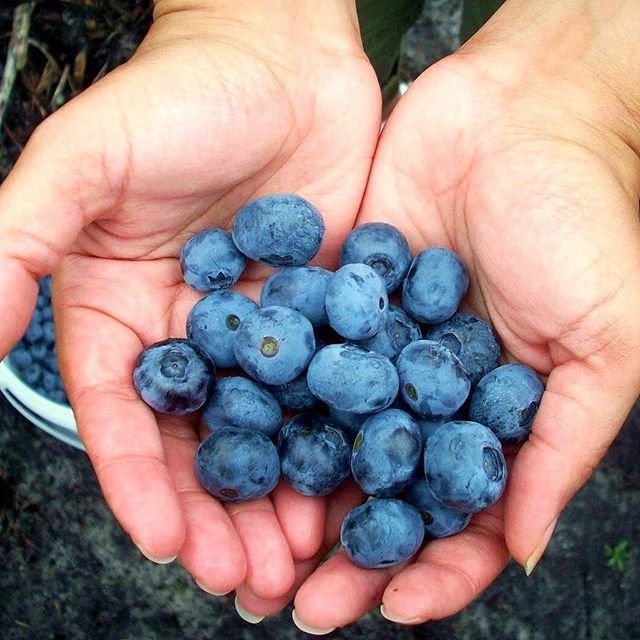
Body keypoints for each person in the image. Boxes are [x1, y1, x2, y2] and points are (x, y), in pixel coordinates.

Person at [1, 0, 639, 633]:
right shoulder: (300, 340)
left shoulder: (382, 345)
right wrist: (239, 21)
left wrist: (585, 100)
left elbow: (372, 368)